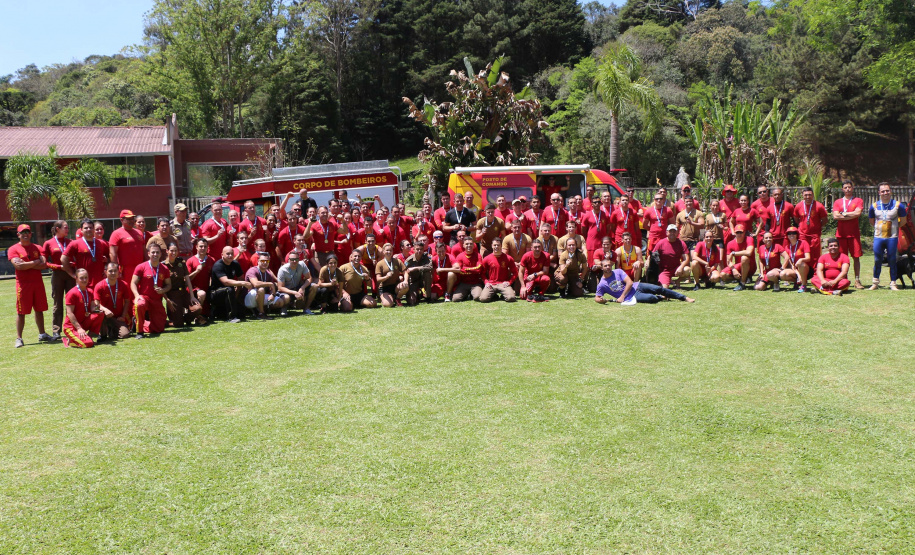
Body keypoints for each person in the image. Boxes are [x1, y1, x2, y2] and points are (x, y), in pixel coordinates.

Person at [10, 224, 52, 347]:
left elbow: (44, 265)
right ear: (18, 235)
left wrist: (27, 264)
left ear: (31, 234)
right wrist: (35, 262)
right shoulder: (13, 249)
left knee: (39, 310)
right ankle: (19, 338)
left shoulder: (37, 247)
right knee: (21, 312)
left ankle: (42, 334)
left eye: (27, 232)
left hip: (37, 283)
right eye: (22, 232)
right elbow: (18, 266)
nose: (25, 234)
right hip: (23, 285)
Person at [594, 259, 695, 304]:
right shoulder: (602, 284)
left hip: (636, 286)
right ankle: (661, 297)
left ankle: (684, 298)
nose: (608, 267)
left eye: (609, 265)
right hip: (632, 297)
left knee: (658, 288)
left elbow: (629, 282)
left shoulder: (618, 271)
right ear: (602, 268)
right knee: (652, 298)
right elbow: (597, 298)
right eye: (605, 266)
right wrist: (601, 301)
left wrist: (622, 297)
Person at [868, 182, 908, 291]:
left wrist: (894, 227)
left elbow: (903, 221)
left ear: (890, 191)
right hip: (878, 237)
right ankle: (875, 282)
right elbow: (872, 221)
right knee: (877, 259)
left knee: (892, 259)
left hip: (892, 237)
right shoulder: (874, 206)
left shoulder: (898, 205)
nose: (885, 193)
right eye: (883, 191)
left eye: (887, 190)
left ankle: (893, 283)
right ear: (879, 193)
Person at [131, 242, 172, 338]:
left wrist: (163, 290)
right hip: (144, 297)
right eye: (153, 252)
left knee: (158, 329)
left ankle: (138, 323)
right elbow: (133, 283)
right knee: (140, 304)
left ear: (160, 254)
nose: (155, 255)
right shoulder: (141, 267)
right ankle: (139, 332)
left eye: (157, 252)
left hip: (157, 299)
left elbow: (169, 285)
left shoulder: (164, 268)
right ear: (148, 253)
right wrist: (137, 296)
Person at [43, 219, 73, 340]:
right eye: (65, 227)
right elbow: (45, 262)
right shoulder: (48, 243)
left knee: (72, 302)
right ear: (57, 229)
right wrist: (58, 266)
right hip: (57, 275)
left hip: (70, 274)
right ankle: (56, 330)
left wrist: (71, 265)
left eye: (67, 227)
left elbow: (77, 258)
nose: (67, 229)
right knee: (57, 303)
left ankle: (71, 327)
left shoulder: (71, 242)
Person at [831, 180, 865, 289]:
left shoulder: (858, 200)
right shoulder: (838, 202)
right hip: (841, 234)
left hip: (854, 234)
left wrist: (844, 214)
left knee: (856, 257)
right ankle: (843, 278)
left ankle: (857, 280)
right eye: (845, 187)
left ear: (852, 188)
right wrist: (851, 214)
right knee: (842, 258)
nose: (847, 189)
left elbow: (858, 213)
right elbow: (836, 216)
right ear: (842, 189)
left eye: (849, 187)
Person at [60, 268, 105, 348]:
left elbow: (92, 309)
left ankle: (89, 337)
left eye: (86, 277)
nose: (84, 280)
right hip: (71, 326)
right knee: (88, 344)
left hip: (83, 321)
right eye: (81, 278)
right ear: (76, 279)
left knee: (100, 314)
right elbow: (69, 313)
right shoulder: (72, 293)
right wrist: (79, 328)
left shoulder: (90, 291)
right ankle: (69, 341)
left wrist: (99, 309)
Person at [62, 219, 109, 288]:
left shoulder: (101, 243)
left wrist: (106, 269)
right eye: (86, 228)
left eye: (91, 227)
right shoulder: (75, 244)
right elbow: (63, 258)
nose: (89, 229)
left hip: (100, 282)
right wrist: (72, 274)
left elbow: (110, 258)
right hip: (83, 282)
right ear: (81, 230)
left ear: (93, 229)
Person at [210, 246, 251, 322]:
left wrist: (236, 294)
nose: (230, 256)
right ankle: (231, 317)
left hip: (230, 292)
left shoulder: (235, 263)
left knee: (242, 314)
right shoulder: (218, 265)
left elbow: (241, 278)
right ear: (222, 254)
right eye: (227, 254)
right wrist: (242, 283)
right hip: (215, 292)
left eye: (232, 254)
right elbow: (225, 282)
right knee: (229, 289)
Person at [95, 262, 133, 339]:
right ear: (105, 272)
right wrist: (105, 309)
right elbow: (96, 303)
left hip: (117, 317)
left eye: (115, 271)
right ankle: (103, 334)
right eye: (110, 271)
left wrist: (123, 316)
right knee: (100, 312)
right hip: (105, 316)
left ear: (118, 272)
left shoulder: (123, 284)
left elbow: (127, 301)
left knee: (124, 335)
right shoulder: (99, 286)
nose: (113, 273)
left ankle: (111, 330)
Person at [163, 243, 197, 327]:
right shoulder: (163, 265)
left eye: (175, 251)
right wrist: (167, 300)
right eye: (171, 251)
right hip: (173, 295)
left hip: (183, 293)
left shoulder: (181, 262)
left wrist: (192, 296)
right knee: (178, 325)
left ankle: (186, 319)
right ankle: (167, 322)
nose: (174, 253)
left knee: (197, 308)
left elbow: (187, 279)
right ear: (167, 251)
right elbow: (161, 286)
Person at [245, 253, 287, 318]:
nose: (264, 263)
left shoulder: (268, 273)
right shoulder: (252, 270)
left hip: (260, 295)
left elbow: (272, 288)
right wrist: (269, 284)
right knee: (261, 289)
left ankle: (262, 309)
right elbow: (255, 284)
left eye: (267, 261)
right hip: (250, 297)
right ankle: (261, 313)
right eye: (262, 261)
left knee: (280, 302)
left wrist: (272, 295)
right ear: (258, 261)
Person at [793, 187, 828, 263]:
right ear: (802, 195)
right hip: (803, 235)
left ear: (813, 195)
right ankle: (804, 272)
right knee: (802, 254)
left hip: (814, 235)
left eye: (810, 195)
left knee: (815, 255)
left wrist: (818, 226)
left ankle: (815, 273)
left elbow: (825, 220)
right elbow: (796, 219)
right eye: (806, 195)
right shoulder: (798, 206)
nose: (808, 197)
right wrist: (802, 225)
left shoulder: (819, 206)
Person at [109, 209, 146, 280]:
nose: (131, 221)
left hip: (140, 268)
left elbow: (144, 251)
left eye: (132, 218)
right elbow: (112, 253)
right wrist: (116, 270)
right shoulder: (116, 234)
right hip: (125, 270)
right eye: (128, 219)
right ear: (121, 220)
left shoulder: (139, 232)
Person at [477, 237, 518, 302]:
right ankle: (493, 295)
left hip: (503, 284)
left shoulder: (508, 258)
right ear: (492, 246)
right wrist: (486, 282)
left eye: (498, 245)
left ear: (501, 246)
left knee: (511, 298)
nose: (496, 247)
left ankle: (504, 295)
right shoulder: (487, 259)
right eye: (494, 245)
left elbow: (515, 272)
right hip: (491, 284)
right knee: (483, 299)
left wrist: (509, 282)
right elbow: (482, 273)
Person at [184, 238, 213, 322]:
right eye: (201, 246)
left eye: (205, 246)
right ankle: (198, 316)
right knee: (202, 294)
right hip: (193, 290)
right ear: (196, 247)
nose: (203, 248)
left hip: (206, 289)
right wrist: (197, 271)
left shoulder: (211, 260)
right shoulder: (190, 261)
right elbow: (186, 279)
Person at [721, 225, 756, 291]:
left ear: (744, 232)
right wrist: (733, 269)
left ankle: (742, 283)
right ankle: (742, 278)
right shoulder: (730, 243)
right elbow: (728, 261)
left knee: (744, 258)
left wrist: (734, 253)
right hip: (739, 267)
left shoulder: (749, 239)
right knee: (723, 275)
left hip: (750, 265)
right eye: (737, 232)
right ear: (734, 233)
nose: (739, 234)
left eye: (741, 232)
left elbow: (749, 252)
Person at [403, 234, 433, 305]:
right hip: (414, 281)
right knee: (412, 301)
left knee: (428, 273)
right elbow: (405, 271)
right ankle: (418, 294)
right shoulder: (409, 260)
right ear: (413, 249)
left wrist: (416, 268)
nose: (419, 251)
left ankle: (428, 297)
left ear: (423, 250)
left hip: (424, 280)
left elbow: (430, 267)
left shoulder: (427, 257)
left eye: (421, 249)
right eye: (417, 249)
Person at [453, 237, 484, 302]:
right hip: (464, 283)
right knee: (456, 299)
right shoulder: (460, 256)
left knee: (477, 297)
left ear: (473, 245)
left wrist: (465, 269)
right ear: (463, 245)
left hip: (476, 283)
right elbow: (460, 271)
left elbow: (478, 269)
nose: (469, 245)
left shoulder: (478, 256)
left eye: (470, 244)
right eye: (467, 244)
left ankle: (472, 293)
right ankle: (466, 293)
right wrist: (472, 270)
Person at [782, 227, 812, 292]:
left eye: (794, 233)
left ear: (797, 234)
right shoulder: (787, 247)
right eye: (789, 233)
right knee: (783, 275)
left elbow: (808, 258)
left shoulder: (803, 243)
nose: (791, 235)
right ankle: (797, 282)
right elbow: (790, 262)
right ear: (787, 235)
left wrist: (801, 259)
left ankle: (804, 285)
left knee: (801, 264)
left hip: (804, 269)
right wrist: (797, 273)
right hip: (794, 269)